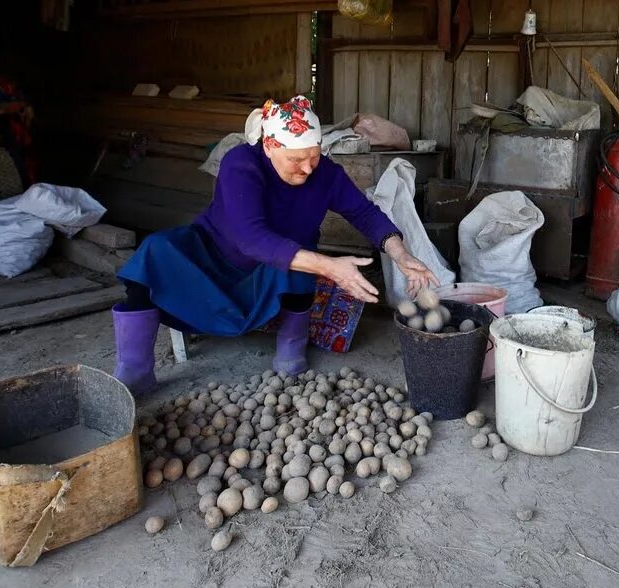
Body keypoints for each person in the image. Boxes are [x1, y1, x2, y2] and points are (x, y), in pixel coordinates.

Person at [112, 95, 438, 393]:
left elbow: (365, 213)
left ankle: (290, 354)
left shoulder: (325, 173)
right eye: (297, 159)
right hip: (214, 255)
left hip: (272, 269)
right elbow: (250, 238)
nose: (309, 167)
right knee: (153, 253)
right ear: (269, 147)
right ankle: (135, 371)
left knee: (299, 254)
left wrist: (401, 254)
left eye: (314, 156)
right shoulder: (241, 164)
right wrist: (330, 266)